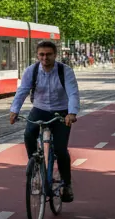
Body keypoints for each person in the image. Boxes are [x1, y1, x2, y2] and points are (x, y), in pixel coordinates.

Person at [9, 40, 80, 203]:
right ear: (37, 55)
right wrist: (14, 110)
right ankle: (35, 165)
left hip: (61, 112)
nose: (45, 58)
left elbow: (73, 93)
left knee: (61, 150)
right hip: (39, 109)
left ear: (55, 55)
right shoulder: (31, 71)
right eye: (41, 54)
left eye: (48, 54)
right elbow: (22, 91)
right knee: (28, 135)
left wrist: (72, 113)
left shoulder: (65, 71)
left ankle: (66, 184)